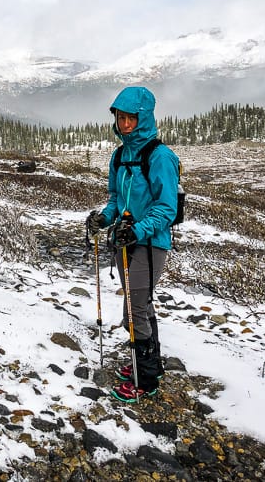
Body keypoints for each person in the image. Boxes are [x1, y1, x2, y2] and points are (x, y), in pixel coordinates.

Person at [86, 86, 180, 402]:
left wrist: (137, 230)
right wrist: (104, 219)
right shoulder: (120, 155)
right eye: (120, 117)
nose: (125, 124)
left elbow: (166, 208)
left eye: (130, 118)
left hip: (151, 242)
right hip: (126, 239)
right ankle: (147, 363)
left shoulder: (160, 156)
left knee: (136, 305)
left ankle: (146, 379)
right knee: (136, 301)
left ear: (144, 118)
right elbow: (116, 199)